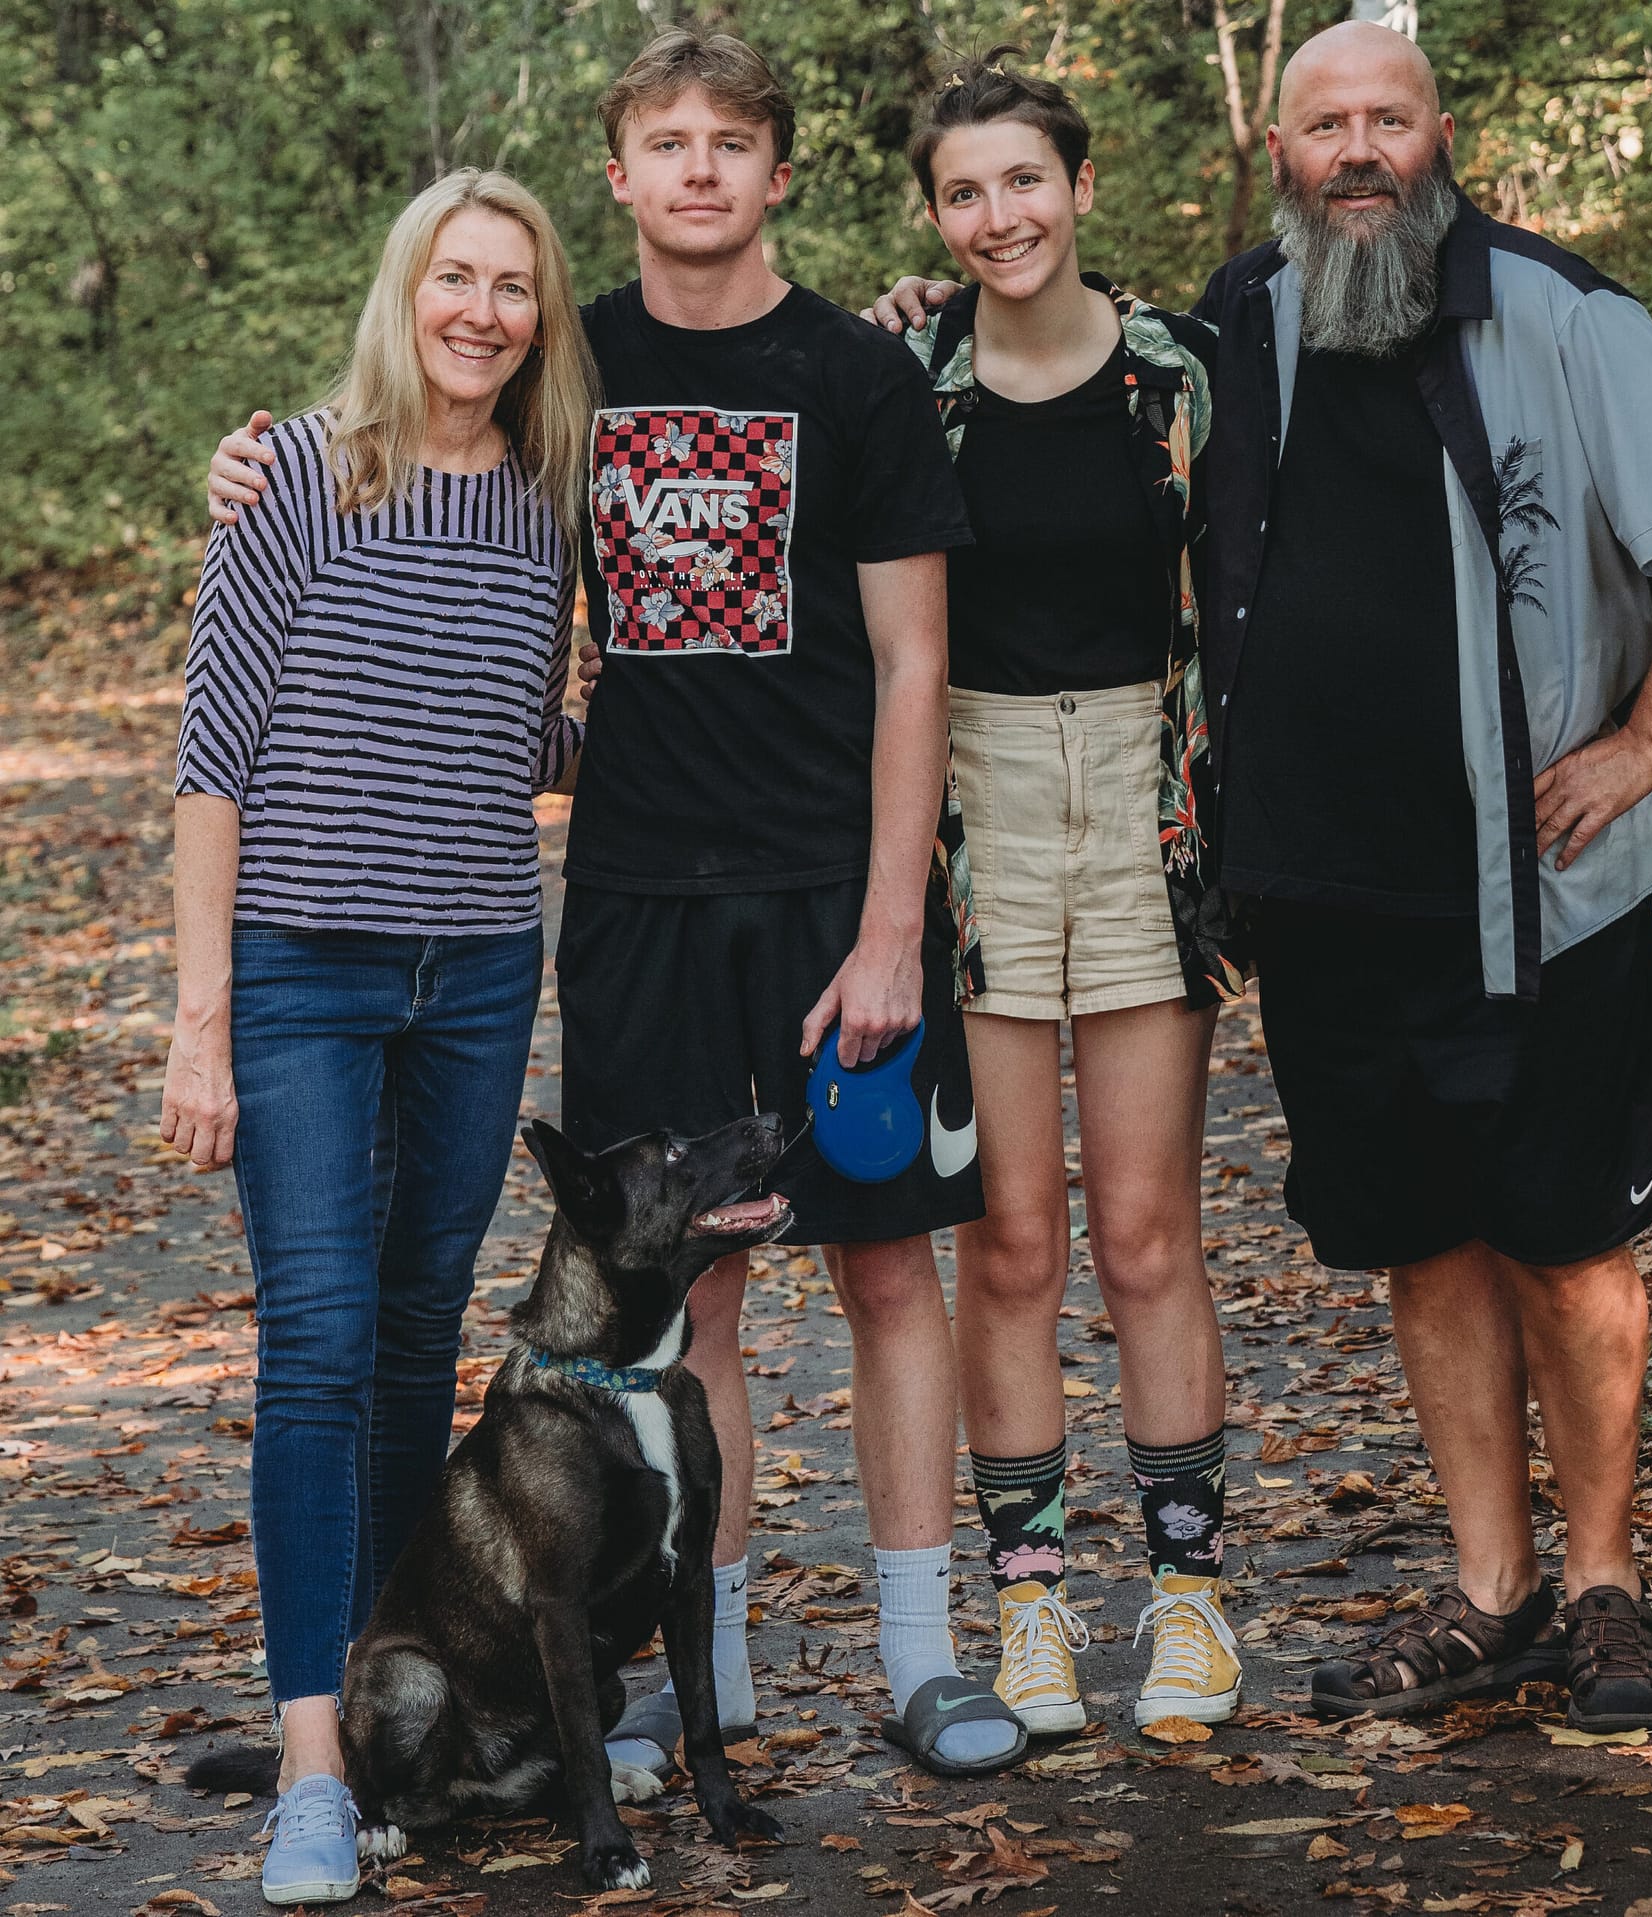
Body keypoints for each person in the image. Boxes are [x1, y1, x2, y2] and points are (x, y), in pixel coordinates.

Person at [875, 21, 1652, 1732]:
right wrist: (904, 331)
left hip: (1538, 875)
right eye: (1324, 125)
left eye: (1386, 119)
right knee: (1423, 1236)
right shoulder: (1242, 324)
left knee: (1568, 1239)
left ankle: (1603, 1586)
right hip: (1320, 889)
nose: (1355, 150)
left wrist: (1643, 742)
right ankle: (1489, 1586)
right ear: (1277, 150)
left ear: (1438, 133)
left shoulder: (1554, 308)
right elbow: (1063, 370)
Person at [208, 28, 1025, 1782]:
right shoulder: (571, 377)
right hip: (638, 892)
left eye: (735, 141)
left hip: (828, 892)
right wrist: (258, 465)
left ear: (779, 170)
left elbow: (912, 662)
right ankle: (707, 1674)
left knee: (890, 1270)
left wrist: (895, 925)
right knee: (691, 1305)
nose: (703, 170)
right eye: (669, 142)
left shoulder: (854, 376)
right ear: (623, 174)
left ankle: (919, 1652)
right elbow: (412, 458)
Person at [165, 168, 595, 1903]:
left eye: (516, 288)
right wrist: (200, 1020)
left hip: (480, 966)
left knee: (422, 1337)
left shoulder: (549, 499)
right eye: (456, 278)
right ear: (405, 289)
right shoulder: (297, 479)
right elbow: (213, 760)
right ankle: (316, 1764)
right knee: (319, 1349)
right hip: (297, 973)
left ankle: (411, 1696)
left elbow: (524, 737)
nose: (482, 311)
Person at [893, 53, 1245, 1736]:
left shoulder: (1179, 373)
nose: (995, 218)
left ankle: (1186, 1601)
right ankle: (1031, 1606)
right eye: (962, 193)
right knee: (1013, 1240)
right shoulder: (907, 376)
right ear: (936, 217)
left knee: (1145, 1231)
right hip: (971, 811)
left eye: (1021, 181)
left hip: (1143, 804)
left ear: (1080, 188)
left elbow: (1245, 593)